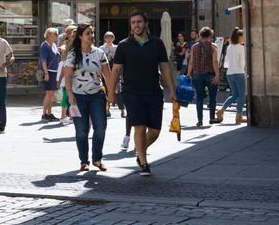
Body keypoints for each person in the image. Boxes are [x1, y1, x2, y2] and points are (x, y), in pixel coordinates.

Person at [106, 10, 177, 176]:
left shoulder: (157, 43)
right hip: (131, 92)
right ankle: (144, 163)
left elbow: (165, 67)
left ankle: (140, 151)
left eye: (139, 22)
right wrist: (111, 92)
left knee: (155, 131)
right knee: (139, 126)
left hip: (154, 92)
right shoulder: (124, 45)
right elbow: (115, 70)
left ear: (146, 24)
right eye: (133, 22)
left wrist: (172, 90)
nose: (136, 25)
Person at [61, 24, 113, 172]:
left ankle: (97, 159)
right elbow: (68, 75)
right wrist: (70, 94)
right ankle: (84, 161)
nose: (91, 36)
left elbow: (107, 75)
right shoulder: (72, 54)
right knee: (82, 130)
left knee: (101, 127)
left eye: (92, 33)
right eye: (88, 33)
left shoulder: (99, 53)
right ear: (80, 36)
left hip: (97, 94)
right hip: (78, 96)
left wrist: (111, 93)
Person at [186, 26, 221, 126]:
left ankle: (200, 120)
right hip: (210, 73)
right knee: (212, 97)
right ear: (210, 35)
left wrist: (188, 74)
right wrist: (217, 74)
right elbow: (215, 61)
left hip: (197, 74)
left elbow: (191, 62)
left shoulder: (194, 47)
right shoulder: (213, 46)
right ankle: (212, 118)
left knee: (200, 97)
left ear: (200, 36)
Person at [217, 27, 248, 125]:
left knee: (234, 95)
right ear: (239, 37)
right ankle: (239, 116)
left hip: (229, 73)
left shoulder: (229, 47)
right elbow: (243, 62)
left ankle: (221, 110)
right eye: (243, 36)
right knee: (242, 95)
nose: (244, 38)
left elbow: (226, 62)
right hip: (238, 73)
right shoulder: (241, 48)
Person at [39, 28, 60, 122]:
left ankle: (49, 113)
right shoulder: (44, 46)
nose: (57, 36)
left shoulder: (54, 45)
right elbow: (43, 60)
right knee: (49, 93)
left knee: (51, 93)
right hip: (48, 71)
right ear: (50, 35)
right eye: (56, 34)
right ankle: (44, 114)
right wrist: (46, 73)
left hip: (54, 71)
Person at [58, 25, 77, 125]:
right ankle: (63, 116)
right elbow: (62, 47)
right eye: (73, 35)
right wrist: (61, 47)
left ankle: (71, 116)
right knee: (66, 93)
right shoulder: (67, 43)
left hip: (75, 70)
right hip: (66, 68)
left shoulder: (78, 43)